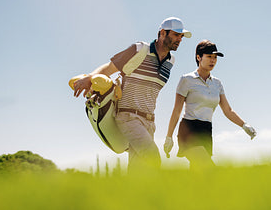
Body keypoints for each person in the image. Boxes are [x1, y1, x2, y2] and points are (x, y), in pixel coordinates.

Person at [73, 17, 191, 172]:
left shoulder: (171, 62)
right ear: (163, 33)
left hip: (149, 122)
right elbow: (109, 68)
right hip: (128, 116)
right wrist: (89, 78)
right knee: (152, 156)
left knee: (138, 170)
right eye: (176, 35)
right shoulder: (139, 49)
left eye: (182, 37)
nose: (179, 40)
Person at [163, 39, 256, 169]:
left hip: (206, 130)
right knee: (209, 169)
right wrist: (169, 136)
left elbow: (228, 110)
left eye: (215, 57)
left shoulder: (217, 83)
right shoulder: (187, 79)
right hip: (189, 129)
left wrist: (244, 125)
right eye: (209, 57)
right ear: (198, 57)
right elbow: (177, 110)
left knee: (199, 174)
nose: (213, 60)